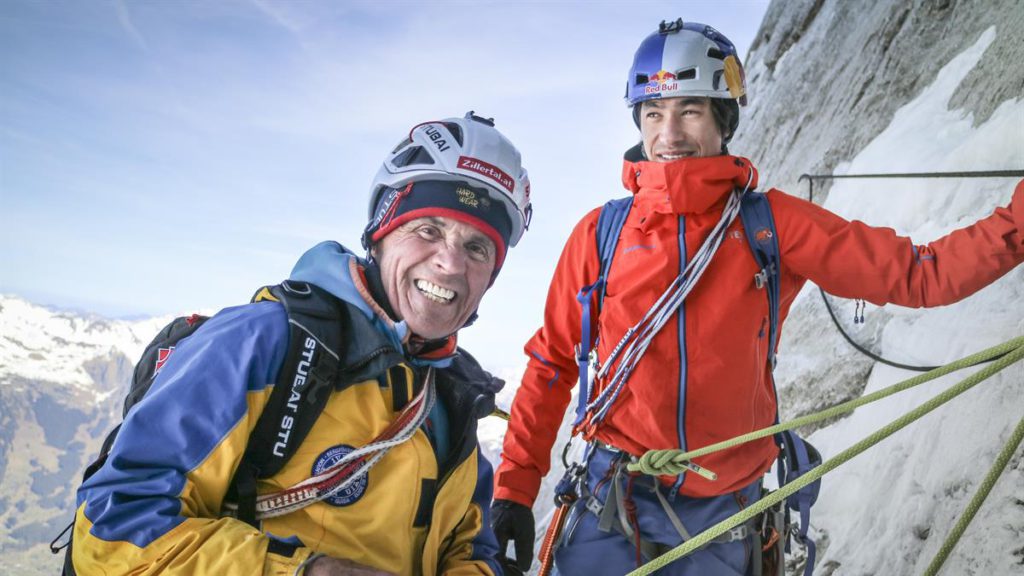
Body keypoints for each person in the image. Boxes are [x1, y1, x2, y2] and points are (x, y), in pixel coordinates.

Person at [491, 18, 1024, 576]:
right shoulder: (600, 234)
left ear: (724, 119)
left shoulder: (769, 225)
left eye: (689, 111)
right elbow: (550, 364)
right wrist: (514, 491)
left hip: (727, 508)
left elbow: (919, 275)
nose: (668, 134)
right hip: (615, 497)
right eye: (654, 113)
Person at [73, 112, 532, 576]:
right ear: (380, 234)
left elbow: (470, 550)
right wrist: (308, 573)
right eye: (428, 229)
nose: (451, 264)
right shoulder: (263, 342)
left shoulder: (453, 395)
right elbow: (111, 528)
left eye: (478, 248)